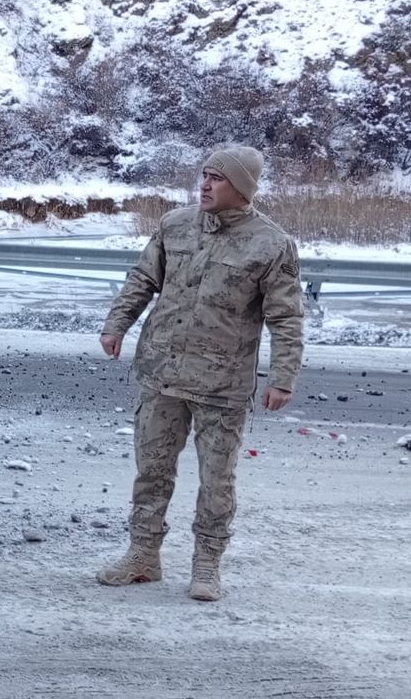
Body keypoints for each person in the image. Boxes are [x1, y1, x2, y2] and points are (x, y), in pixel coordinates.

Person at [95, 146, 304, 602]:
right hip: (162, 373)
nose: (205, 185)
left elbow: (286, 317)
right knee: (152, 471)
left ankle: (207, 563)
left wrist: (282, 376)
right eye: (204, 175)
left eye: (218, 178)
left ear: (242, 188)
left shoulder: (271, 245)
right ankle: (143, 555)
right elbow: (142, 280)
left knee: (217, 480)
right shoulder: (175, 224)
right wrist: (116, 325)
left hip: (221, 384)